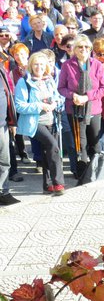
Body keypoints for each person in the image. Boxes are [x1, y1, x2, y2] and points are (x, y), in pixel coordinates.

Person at [57, 34, 104, 180]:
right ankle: (85, 176)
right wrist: (73, 96)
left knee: (96, 144)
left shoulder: (97, 65)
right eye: (80, 47)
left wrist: (87, 97)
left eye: (86, 47)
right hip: (74, 110)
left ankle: (98, 174)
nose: (83, 49)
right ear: (74, 49)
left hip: (94, 109)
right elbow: (61, 88)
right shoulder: (67, 65)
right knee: (81, 145)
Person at [14, 51, 65, 195]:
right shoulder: (24, 82)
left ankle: (47, 185)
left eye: (42, 64)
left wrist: (56, 102)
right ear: (31, 65)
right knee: (54, 147)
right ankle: (58, 183)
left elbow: (58, 98)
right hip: (35, 123)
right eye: (36, 64)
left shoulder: (49, 80)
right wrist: (40, 106)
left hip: (52, 121)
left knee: (46, 151)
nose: (39, 67)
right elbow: (19, 105)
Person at [0, 66, 20, 205]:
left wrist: (11, 120)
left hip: (2, 122)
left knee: (4, 159)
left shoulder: (0, 68)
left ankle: (4, 192)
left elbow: (7, 94)